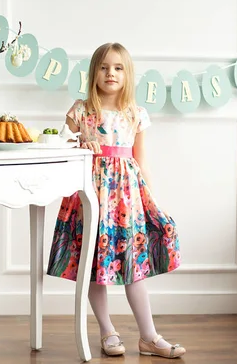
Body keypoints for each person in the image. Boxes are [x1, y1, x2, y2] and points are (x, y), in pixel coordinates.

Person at [47, 43, 185, 359]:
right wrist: (78, 146)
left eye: (118, 68)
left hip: (126, 202)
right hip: (89, 198)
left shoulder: (135, 114)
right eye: (104, 67)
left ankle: (149, 336)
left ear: (127, 74)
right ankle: (107, 331)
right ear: (94, 71)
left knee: (134, 267)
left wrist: (153, 203)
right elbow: (63, 148)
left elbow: (142, 161)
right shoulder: (80, 111)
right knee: (96, 264)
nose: (111, 73)